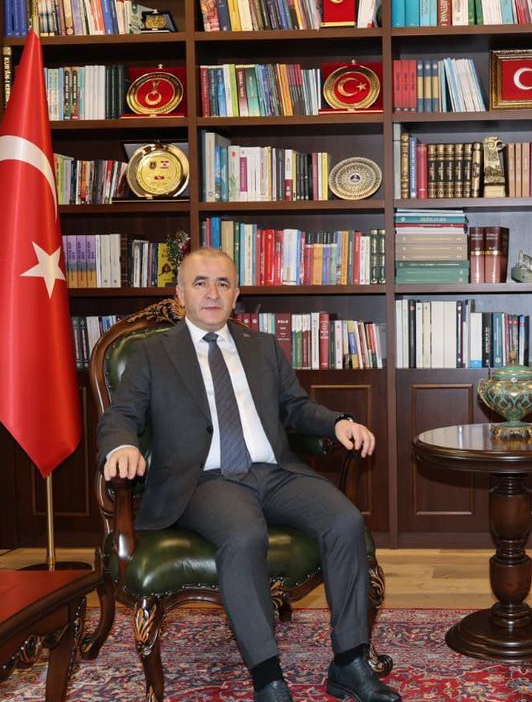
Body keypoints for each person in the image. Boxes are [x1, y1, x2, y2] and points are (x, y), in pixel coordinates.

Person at [98, 248, 401, 702]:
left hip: (274, 472)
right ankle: (268, 677)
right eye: (200, 283)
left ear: (236, 293)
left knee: (344, 520)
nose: (212, 293)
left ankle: (350, 662)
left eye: (223, 283)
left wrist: (337, 423)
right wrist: (121, 445)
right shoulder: (150, 352)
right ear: (180, 294)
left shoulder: (261, 347)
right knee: (244, 534)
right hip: (206, 480)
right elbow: (121, 414)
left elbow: (296, 407)